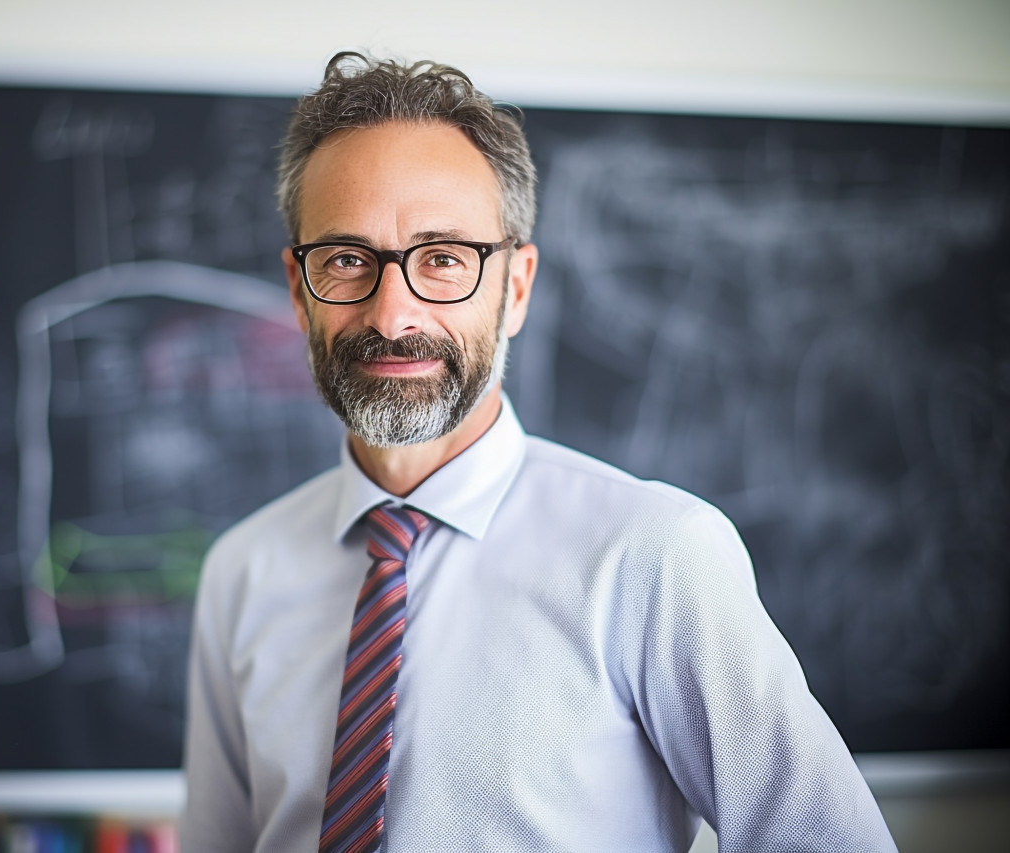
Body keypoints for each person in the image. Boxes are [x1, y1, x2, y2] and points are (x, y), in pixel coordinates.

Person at [181, 52, 897, 853]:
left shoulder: (653, 555)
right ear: (296, 287)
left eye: (443, 258)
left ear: (515, 287)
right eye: (347, 259)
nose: (393, 312)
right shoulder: (242, 570)